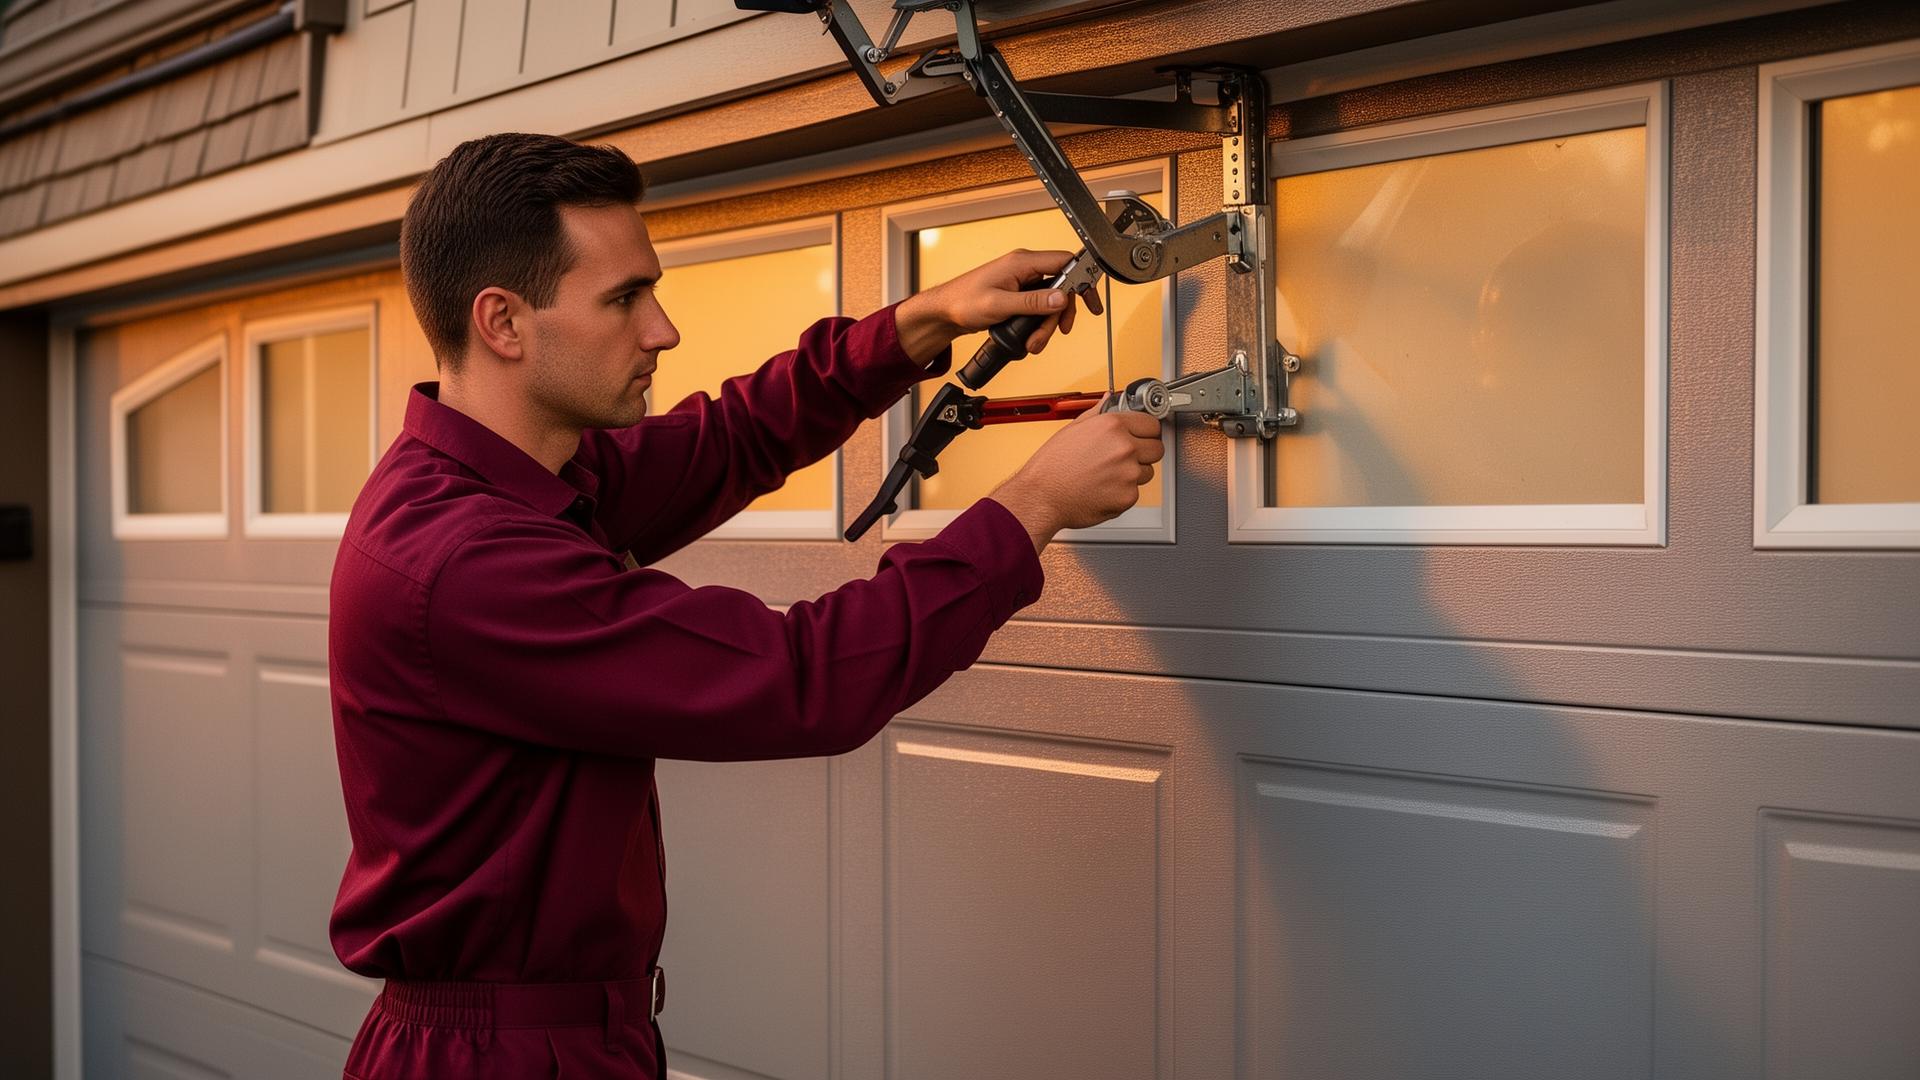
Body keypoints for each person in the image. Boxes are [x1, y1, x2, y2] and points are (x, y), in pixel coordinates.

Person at [327, 132, 1163, 1078]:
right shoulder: (467, 562)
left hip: (558, 1038)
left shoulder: (520, 478)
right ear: (502, 322)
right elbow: (798, 680)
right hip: (497, 1060)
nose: (662, 330)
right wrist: (1032, 505)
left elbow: (728, 439)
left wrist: (923, 320)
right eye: (624, 299)